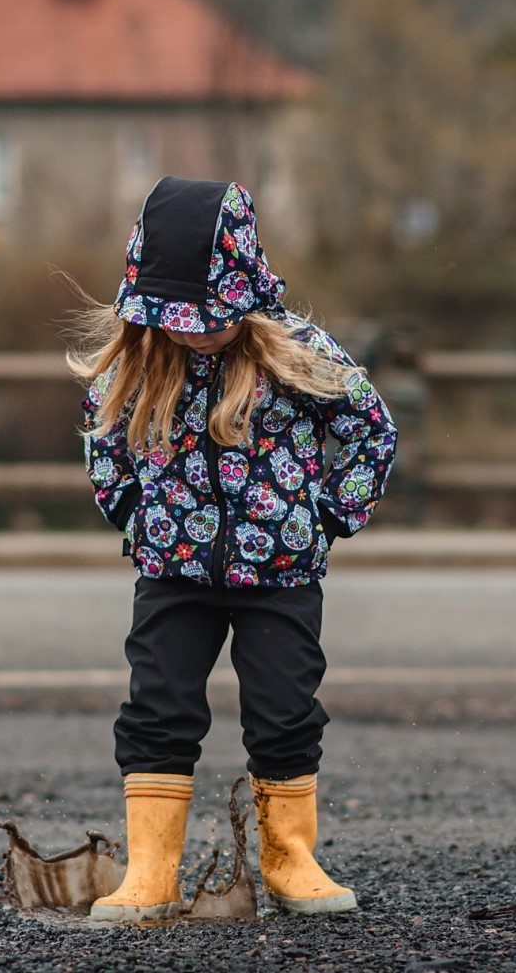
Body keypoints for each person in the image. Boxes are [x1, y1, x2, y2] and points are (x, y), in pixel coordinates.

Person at [66, 176, 398, 922]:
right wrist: (133, 516)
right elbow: (102, 445)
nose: (194, 331)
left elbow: (373, 433)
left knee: (284, 712)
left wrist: (328, 516)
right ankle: (151, 868)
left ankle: (290, 857)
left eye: (210, 318)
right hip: (172, 573)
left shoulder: (300, 356)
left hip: (280, 573)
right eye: (177, 319)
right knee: (158, 709)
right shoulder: (137, 363)